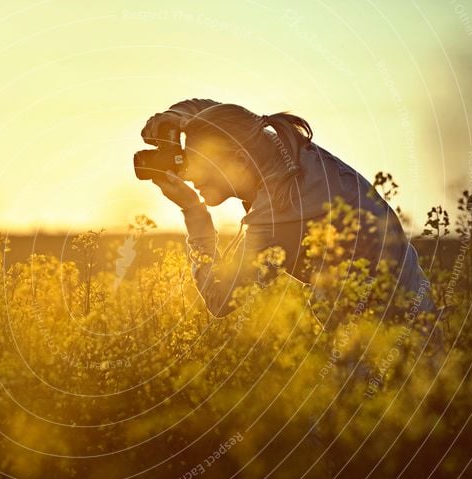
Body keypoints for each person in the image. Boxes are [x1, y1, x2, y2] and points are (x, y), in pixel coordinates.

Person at [141, 98, 438, 331]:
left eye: (200, 165)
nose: (191, 176)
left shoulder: (278, 215)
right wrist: (176, 117)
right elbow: (222, 118)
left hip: (378, 338)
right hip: (416, 309)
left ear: (240, 162)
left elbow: (220, 301)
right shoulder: (273, 144)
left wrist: (194, 213)